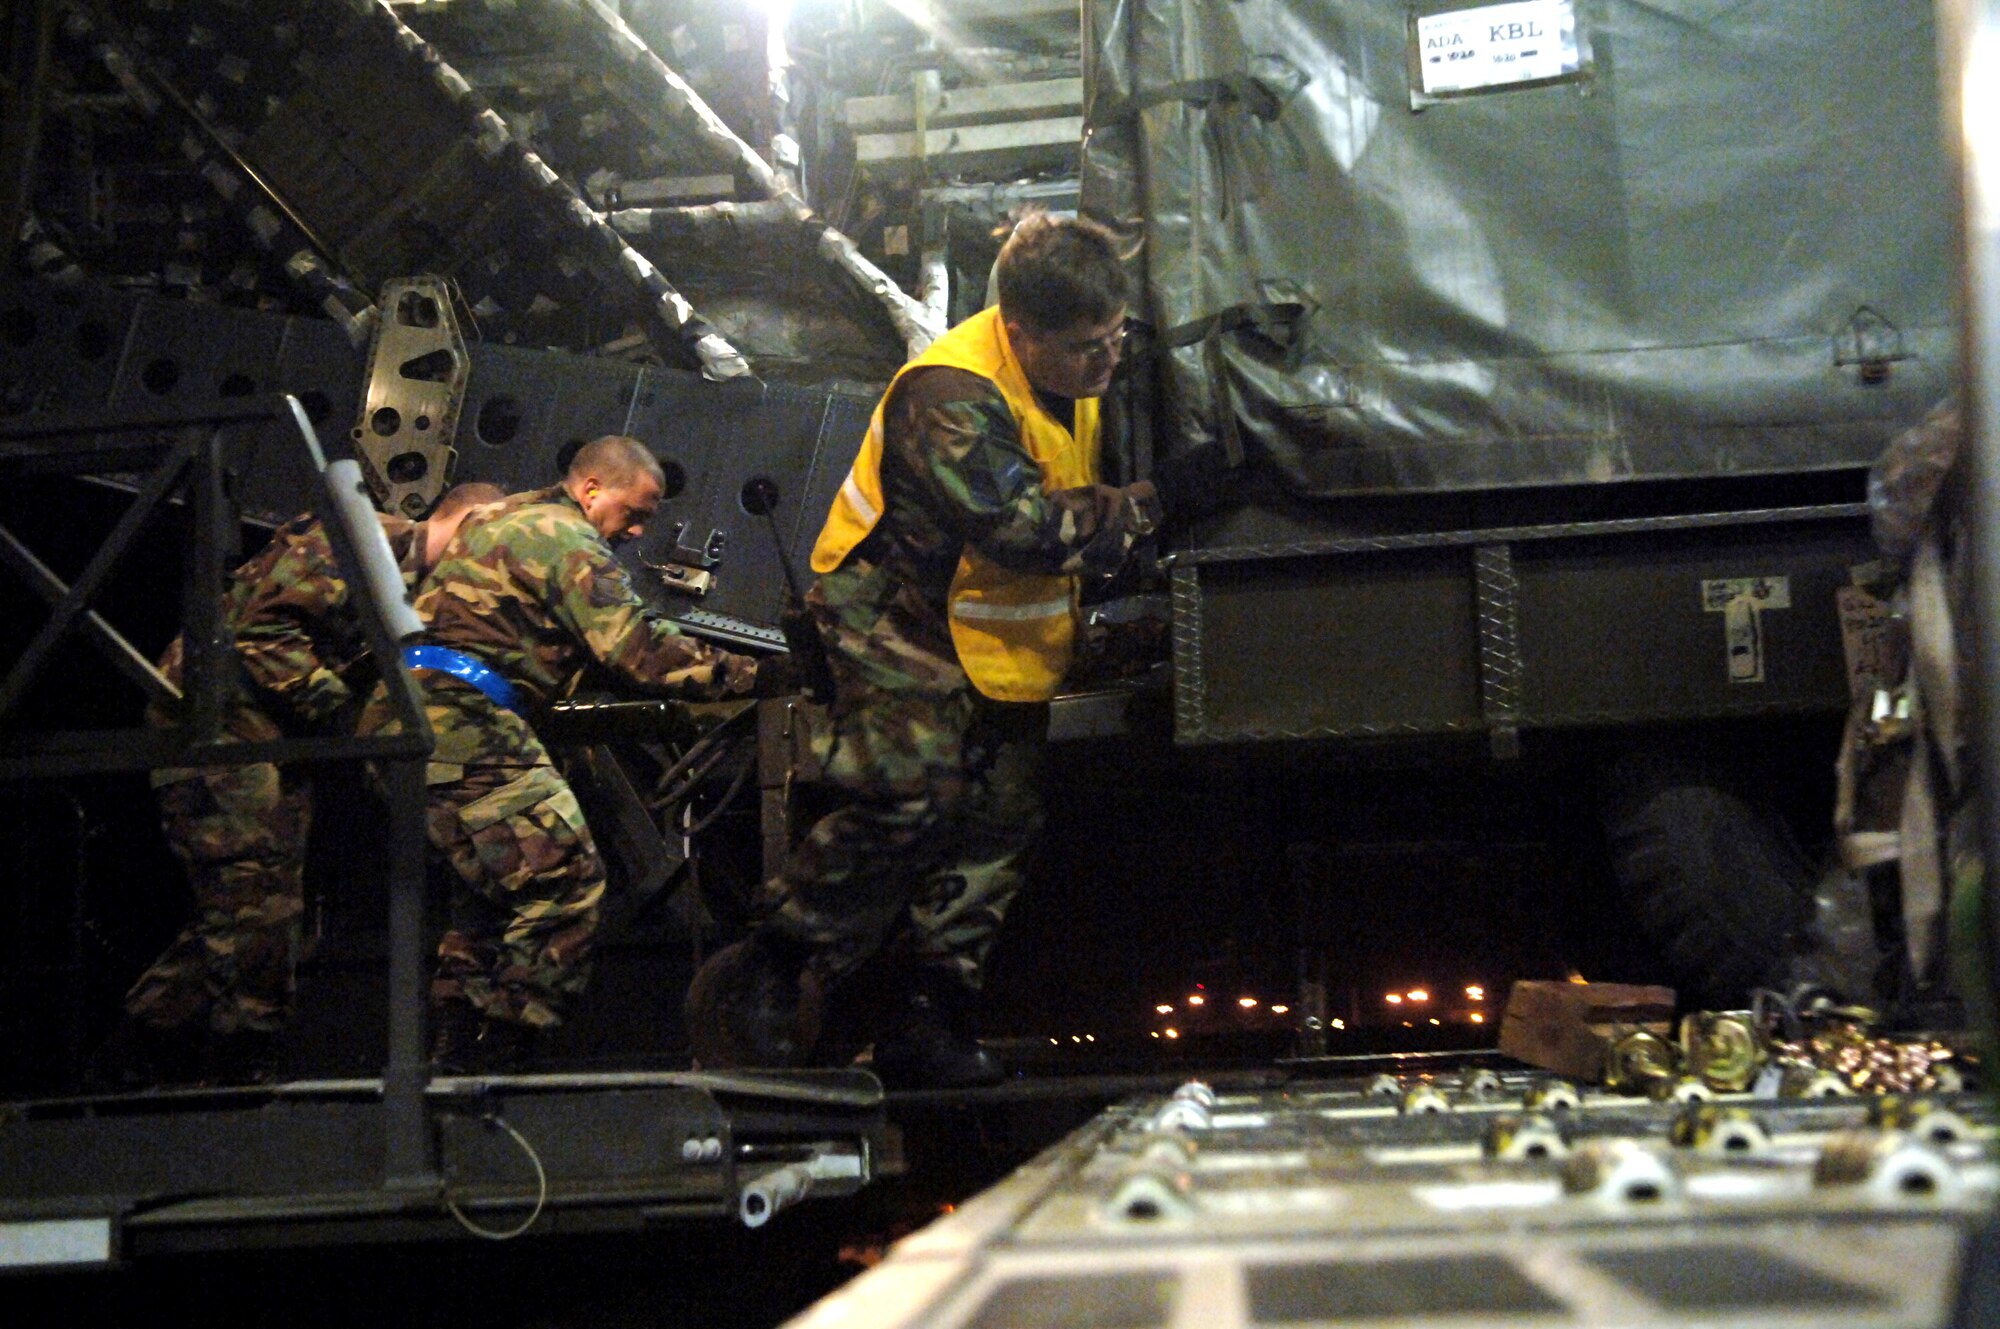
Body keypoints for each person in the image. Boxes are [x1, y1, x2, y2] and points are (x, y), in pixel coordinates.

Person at [686, 213, 1242, 1088]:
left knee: (1001, 819)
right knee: (909, 793)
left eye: (1114, 337)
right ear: (1021, 332)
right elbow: (1020, 530)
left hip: (992, 625)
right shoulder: (948, 393)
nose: (1105, 361)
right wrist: (1149, 501)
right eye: (1084, 346)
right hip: (891, 615)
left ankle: (930, 1016)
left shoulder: (1076, 368)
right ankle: (776, 959)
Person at [374, 435, 772, 1074]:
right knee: (568, 883)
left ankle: (452, 1060)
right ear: (591, 489)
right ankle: (499, 1062)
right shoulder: (566, 537)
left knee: (491, 902)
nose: (637, 532)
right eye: (634, 512)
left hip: (412, 714)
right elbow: (637, 649)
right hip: (464, 717)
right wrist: (756, 675)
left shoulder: (504, 518)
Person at [90, 481, 504, 1089]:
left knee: (259, 914)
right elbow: (260, 636)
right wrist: (351, 718)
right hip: (214, 721)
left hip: (274, 737)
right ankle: (229, 1071)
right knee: (255, 910)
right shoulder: (357, 543)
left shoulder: (428, 589)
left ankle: (142, 1062)